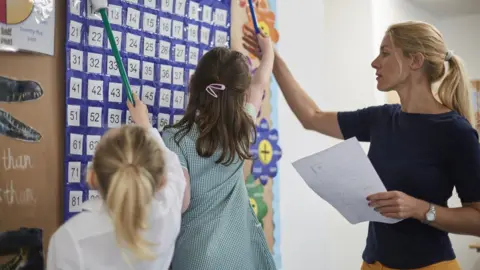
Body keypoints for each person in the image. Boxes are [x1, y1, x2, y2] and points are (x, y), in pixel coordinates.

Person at [243, 21, 480, 270]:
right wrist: (272, 58)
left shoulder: (456, 132)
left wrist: (419, 209)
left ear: (415, 61)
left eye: (385, 53)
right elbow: (311, 117)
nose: (375, 62)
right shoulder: (381, 118)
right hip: (373, 263)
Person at [162, 33, 276, 270]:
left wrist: (144, 127)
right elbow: (259, 85)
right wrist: (269, 54)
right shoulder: (242, 130)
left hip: (194, 257)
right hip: (240, 254)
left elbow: (181, 202)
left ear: (193, 84)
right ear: (241, 95)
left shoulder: (176, 138)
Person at [46, 94, 190, 270]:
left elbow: (171, 172)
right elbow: (174, 170)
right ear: (162, 182)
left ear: (92, 179)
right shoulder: (167, 212)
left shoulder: (69, 239)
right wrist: (145, 125)